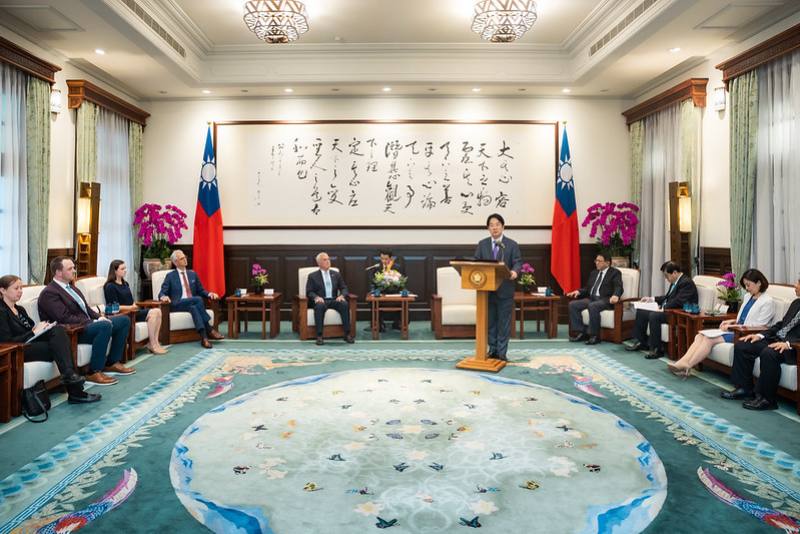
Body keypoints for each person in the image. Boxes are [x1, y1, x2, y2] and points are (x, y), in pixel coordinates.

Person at [0, 275, 100, 404]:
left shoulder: (20, 309)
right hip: (18, 350)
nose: (20, 291)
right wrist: (33, 332)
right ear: (2, 290)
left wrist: (41, 328)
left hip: (30, 343)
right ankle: (75, 389)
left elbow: (31, 330)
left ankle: (71, 381)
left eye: (21, 287)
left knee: (57, 330)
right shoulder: (1, 311)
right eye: (16, 288)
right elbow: (7, 341)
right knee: (60, 348)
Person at [38, 257, 133, 387]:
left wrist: (99, 317)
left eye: (73, 267)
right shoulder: (50, 293)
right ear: (58, 272)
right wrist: (92, 321)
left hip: (87, 324)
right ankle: (93, 372)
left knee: (123, 320)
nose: (74, 271)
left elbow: (86, 309)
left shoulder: (72, 288)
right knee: (104, 326)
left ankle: (112, 363)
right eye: (70, 268)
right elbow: (64, 318)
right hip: (73, 331)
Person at [667, 269, 775, 377]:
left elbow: (760, 326)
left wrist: (734, 326)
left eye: (748, 285)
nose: (746, 288)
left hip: (745, 334)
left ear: (759, 283)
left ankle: (687, 365)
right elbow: (743, 318)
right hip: (736, 329)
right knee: (700, 336)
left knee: (709, 339)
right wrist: (732, 321)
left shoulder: (767, 301)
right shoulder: (748, 297)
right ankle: (682, 362)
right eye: (745, 285)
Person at [721, 277, 800, 410]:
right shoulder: (796, 303)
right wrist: (760, 335)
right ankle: (744, 389)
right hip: (777, 339)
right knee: (743, 344)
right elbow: (781, 325)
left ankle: (767, 399)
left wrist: (788, 344)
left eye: (798, 283)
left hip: (794, 348)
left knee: (768, 353)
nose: (795, 285)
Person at [474, 213, 522, 361]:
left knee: (504, 323)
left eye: (497, 224)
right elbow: (476, 262)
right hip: (487, 290)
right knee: (490, 323)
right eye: (491, 225)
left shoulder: (512, 244)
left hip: (505, 289)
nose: (494, 228)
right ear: (488, 228)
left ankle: (501, 353)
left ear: (503, 226)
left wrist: (514, 271)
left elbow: (518, 261)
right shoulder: (482, 244)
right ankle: (492, 349)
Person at [626, 261, 698, 359]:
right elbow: (668, 297)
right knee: (641, 311)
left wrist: (663, 308)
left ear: (675, 273)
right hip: (669, 310)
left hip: (678, 314)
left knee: (654, 315)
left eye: (666, 275)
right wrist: (652, 299)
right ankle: (642, 342)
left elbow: (679, 301)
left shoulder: (686, 283)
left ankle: (657, 349)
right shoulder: (676, 281)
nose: (665, 278)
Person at [158, 249, 223, 349]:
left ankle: (204, 338)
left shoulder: (192, 274)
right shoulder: (170, 276)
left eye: (185, 257)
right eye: (181, 258)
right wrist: (163, 296)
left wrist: (210, 294)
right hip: (177, 304)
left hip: (191, 304)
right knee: (197, 299)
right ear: (175, 262)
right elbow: (162, 292)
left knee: (194, 307)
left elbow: (201, 290)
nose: (185, 260)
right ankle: (210, 329)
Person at [104, 259, 168, 355]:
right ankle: (152, 344)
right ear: (115, 271)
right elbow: (112, 307)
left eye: (125, 268)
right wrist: (130, 308)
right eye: (122, 269)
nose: (125, 270)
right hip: (124, 315)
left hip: (133, 311)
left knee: (158, 311)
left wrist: (134, 305)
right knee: (154, 312)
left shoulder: (125, 284)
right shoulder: (110, 286)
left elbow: (131, 300)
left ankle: (155, 343)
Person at [567, 253, 623, 345]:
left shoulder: (615, 273)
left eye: (599, 261)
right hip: (592, 298)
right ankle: (581, 332)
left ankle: (594, 336)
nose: (596, 263)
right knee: (573, 305)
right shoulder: (594, 273)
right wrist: (578, 291)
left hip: (605, 299)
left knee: (592, 306)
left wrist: (616, 295)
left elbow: (619, 286)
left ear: (607, 263)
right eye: (596, 261)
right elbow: (588, 288)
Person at [306, 252, 354, 345]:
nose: (328, 261)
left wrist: (342, 295)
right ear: (319, 263)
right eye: (325, 260)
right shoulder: (312, 276)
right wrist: (316, 297)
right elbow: (309, 292)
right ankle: (319, 336)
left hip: (334, 299)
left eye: (328, 259)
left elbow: (344, 287)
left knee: (344, 304)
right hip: (321, 300)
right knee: (319, 306)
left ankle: (347, 334)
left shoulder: (336, 274)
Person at [365, 250, 403, 332]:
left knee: (404, 301)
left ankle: (398, 323)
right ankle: (377, 324)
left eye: (386, 259)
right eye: (382, 259)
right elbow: (373, 283)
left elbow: (402, 283)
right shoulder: (377, 268)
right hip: (380, 293)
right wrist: (373, 292)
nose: (384, 261)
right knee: (372, 301)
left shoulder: (397, 267)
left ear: (391, 258)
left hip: (394, 293)